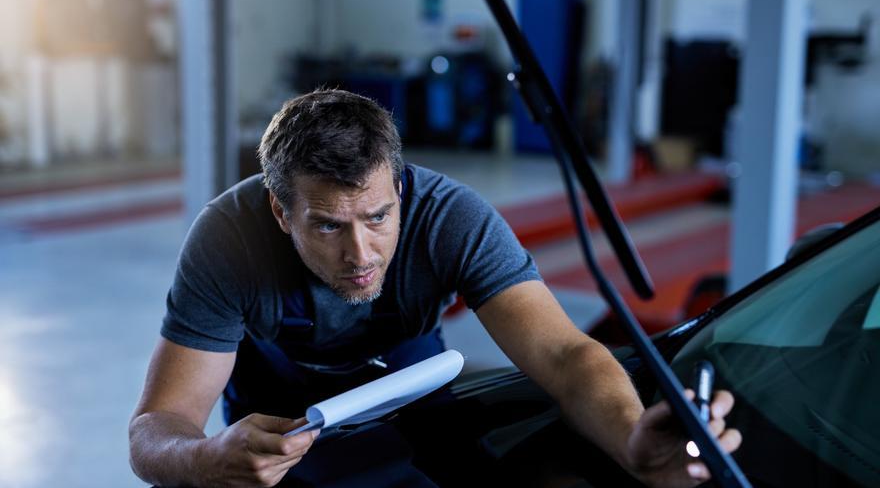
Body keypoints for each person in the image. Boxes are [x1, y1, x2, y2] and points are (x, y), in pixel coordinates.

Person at [129, 89, 741, 487]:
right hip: (272, 413)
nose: (361, 254)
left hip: (411, 385)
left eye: (377, 217)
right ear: (281, 213)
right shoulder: (226, 240)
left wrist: (633, 439)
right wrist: (209, 460)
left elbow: (564, 354)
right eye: (327, 226)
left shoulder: (452, 216)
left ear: (399, 186)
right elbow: (156, 429)